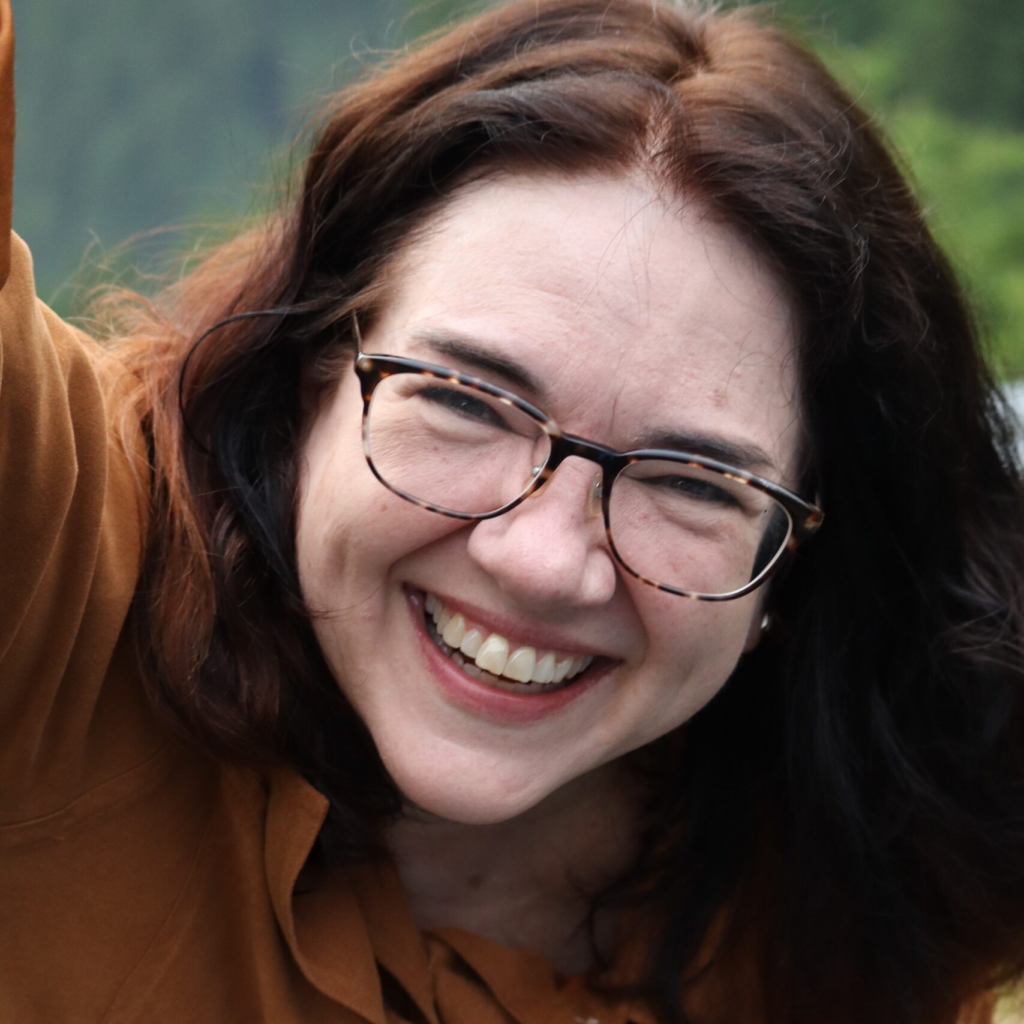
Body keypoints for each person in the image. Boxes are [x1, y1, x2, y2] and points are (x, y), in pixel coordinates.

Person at [2, 0, 1023, 1022]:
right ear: (308, 373)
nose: (539, 561)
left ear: (794, 561)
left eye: (691, 482)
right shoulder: (60, 556)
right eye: (464, 401)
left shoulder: (863, 912)